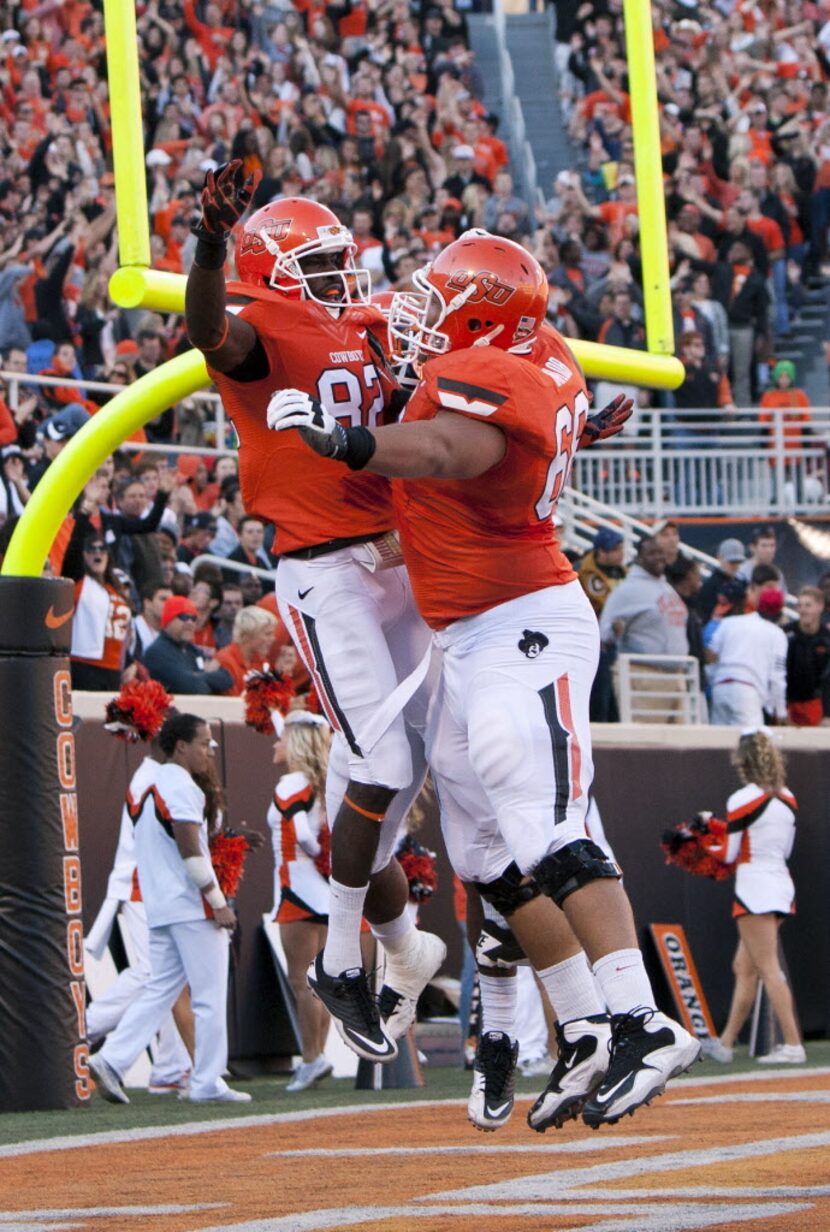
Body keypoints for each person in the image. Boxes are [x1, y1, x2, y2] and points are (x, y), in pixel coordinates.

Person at [268, 230, 700, 1129]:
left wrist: (345, 441)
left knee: (544, 822)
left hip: (521, 626)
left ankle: (641, 1020)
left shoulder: (494, 380)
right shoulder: (534, 354)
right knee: (482, 858)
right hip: (468, 634)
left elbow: (444, 453)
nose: (421, 314)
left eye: (441, 304)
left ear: (479, 321)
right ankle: (585, 1027)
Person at [184, 162, 445, 1065]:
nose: (345, 280)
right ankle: (351, 960)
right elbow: (210, 329)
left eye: (344, 262)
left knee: (403, 773)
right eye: (324, 265)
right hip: (325, 570)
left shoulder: (369, 324)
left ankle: (408, 949)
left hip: (400, 557)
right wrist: (212, 243)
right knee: (380, 758)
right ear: (281, 271)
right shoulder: (264, 325)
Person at [89, 714, 251, 1104]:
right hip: (190, 907)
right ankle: (207, 1082)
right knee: (209, 996)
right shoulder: (179, 785)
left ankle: (112, 1059)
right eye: (202, 742)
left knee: (159, 989)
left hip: (160, 905)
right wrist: (217, 902)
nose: (209, 750)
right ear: (180, 746)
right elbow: (190, 851)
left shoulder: (149, 783)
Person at [85, 747, 193, 1094]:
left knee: (168, 977)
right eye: (202, 744)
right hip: (140, 885)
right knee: (153, 975)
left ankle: (170, 1066)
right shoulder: (151, 778)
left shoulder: (159, 776)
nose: (206, 753)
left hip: (153, 886)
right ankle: (81, 1030)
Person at [702, 730, 805, 1066]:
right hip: (779, 883)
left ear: (743, 761)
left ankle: (792, 1044)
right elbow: (786, 849)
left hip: (754, 887)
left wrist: (701, 836)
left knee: (769, 969)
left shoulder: (741, 798)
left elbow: (728, 853)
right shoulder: (789, 798)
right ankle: (726, 1043)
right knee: (744, 968)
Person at [268, 712, 334, 1093]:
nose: (275, 745)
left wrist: (313, 852)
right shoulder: (318, 781)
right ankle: (317, 1055)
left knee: (301, 982)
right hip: (320, 889)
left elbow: (302, 833)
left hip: (296, 885)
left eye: (281, 740)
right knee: (317, 981)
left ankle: (311, 1058)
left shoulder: (291, 782)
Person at [598, 537, 691, 723]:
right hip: (644, 676)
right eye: (652, 553)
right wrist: (615, 631)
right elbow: (603, 633)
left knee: (682, 746)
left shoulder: (666, 587)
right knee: (648, 745)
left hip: (677, 676)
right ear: (639, 558)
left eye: (660, 553)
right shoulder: (627, 590)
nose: (658, 558)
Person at [709, 588, 788, 728]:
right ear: (780, 613)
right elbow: (777, 678)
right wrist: (780, 712)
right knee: (751, 743)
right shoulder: (778, 634)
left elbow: (711, 659)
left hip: (720, 687)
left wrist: (713, 681)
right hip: (748, 691)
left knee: (718, 744)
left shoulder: (729, 623)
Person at [66, 533, 133, 691]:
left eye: (102, 549)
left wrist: (129, 661)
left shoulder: (116, 589)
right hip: (84, 663)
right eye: (91, 549)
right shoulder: (79, 585)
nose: (97, 553)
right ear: (83, 555)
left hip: (113, 666)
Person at [578, 527, 627, 723]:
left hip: (614, 642)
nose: (620, 553)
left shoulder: (622, 572)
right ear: (602, 552)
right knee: (601, 701)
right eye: (615, 549)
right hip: (596, 642)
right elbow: (603, 603)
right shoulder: (587, 574)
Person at [143, 595, 234, 695]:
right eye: (184, 617)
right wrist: (205, 674)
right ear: (169, 620)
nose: (190, 623)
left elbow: (227, 679)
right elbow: (192, 687)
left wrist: (196, 676)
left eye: (194, 618)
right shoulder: (157, 652)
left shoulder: (193, 651)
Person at [784, 586, 830, 727]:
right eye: (799, 605)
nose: (803, 610)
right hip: (789, 704)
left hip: (815, 705)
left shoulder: (826, 638)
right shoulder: (785, 633)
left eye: (808, 605)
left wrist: (827, 715)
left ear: (820, 607)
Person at [214, 605, 278, 694]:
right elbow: (232, 702)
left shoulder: (262, 661)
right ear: (248, 634)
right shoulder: (225, 660)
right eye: (267, 634)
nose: (273, 638)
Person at [698, 538, 747, 625]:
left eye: (738, 562)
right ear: (720, 558)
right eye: (732, 562)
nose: (735, 566)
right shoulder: (710, 586)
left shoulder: (742, 583)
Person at [737, 527, 788, 595]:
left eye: (772, 545)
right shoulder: (741, 573)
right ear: (752, 548)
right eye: (764, 546)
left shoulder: (777, 574)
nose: (769, 550)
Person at [134, 580, 172, 660]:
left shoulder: (171, 634)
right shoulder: (132, 628)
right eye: (163, 599)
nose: (169, 604)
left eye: (171, 601)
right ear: (147, 603)